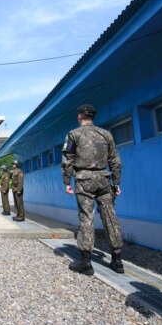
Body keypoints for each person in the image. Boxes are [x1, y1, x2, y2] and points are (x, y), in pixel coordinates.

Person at [62, 104, 123, 276]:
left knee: (86, 218)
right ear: (92, 117)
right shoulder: (106, 134)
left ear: (80, 116)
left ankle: (85, 262)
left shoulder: (74, 134)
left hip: (83, 180)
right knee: (110, 216)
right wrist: (116, 182)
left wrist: (67, 180)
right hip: (104, 178)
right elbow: (115, 160)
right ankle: (117, 261)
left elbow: (68, 159)